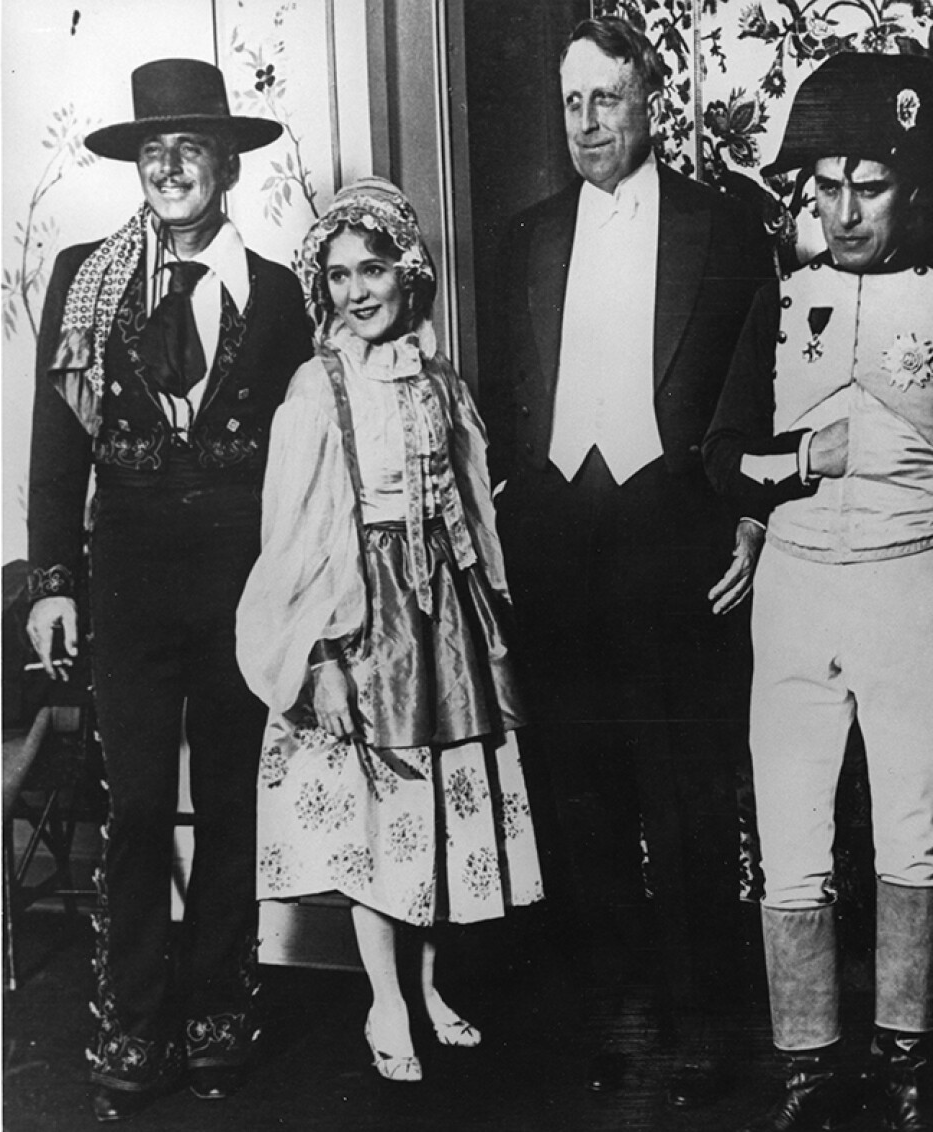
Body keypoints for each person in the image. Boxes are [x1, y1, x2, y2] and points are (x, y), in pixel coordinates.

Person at [704, 53, 933, 1132]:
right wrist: (794, 468)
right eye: (823, 185)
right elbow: (720, 453)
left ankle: (906, 1062)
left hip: (909, 583)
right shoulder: (780, 301)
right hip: (795, 591)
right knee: (792, 831)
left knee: (913, 831)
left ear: (911, 189)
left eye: (867, 185)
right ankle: (807, 1068)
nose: (842, 211)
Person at [481, 15, 772, 1107]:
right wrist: (515, 504)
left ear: (650, 97)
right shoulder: (526, 237)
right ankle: (622, 1004)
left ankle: (701, 1016)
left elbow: (758, 384)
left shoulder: (727, 227)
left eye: (607, 99)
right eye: (571, 103)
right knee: (582, 791)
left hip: (674, 534)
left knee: (685, 788)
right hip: (558, 540)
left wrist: (747, 516)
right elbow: (510, 400)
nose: (587, 123)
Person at [23, 59, 312, 1121]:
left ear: (227, 163)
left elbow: (310, 448)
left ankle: (217, 1005)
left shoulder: (280, 292)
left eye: (191, 148)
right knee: (138, 806)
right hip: (130, 578)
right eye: (153, 150)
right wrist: (55, 578)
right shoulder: (84, 278)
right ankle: (133, 1014)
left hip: (244, 581)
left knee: (233, 797)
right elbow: (57, 449)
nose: (170, 166)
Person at [235, 178, 542, 1083]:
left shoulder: (440, 379)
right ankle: (385, 997)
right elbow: (293, 536)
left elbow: (472, 507)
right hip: (357, 613)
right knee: (377, 814)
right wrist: (323, 656)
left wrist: (483, 614)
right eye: (337, 276)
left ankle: (432, 984)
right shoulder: (316, 386)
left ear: (410, 274)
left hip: (439, 611)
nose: (356, 291)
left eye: (373, 270)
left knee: (433, 811)